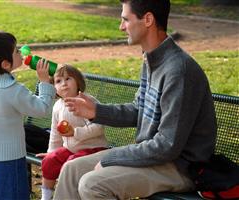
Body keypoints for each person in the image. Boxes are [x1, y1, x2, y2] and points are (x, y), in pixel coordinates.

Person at [54, 0, 217, 199]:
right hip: (151, 156)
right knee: (72, 170)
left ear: (148, 19)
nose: (121, 27)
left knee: (92, 184)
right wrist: (96, 111)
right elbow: (138, 110)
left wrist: (111, 158)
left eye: (125, 20)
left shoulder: (178, 71)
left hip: (180, 167)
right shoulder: (151, 59)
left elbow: (167, 146)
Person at [0, 30, 56, 199]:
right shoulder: (14, 91)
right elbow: (42, 108)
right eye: (16, 51)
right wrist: (45, 82)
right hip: (11, 158)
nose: (21, 51)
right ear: (6, 64)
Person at [36, 64, 108, 200]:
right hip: (70, 149)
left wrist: (75, 132)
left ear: (78, 82)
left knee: (70, 163)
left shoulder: (87, 101)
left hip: (93, 149)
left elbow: (98, 128)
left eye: (68, 79)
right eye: (58, 81)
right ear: (54, 88)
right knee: (49, 161)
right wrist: (51, 152)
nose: (63, 84)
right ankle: (46, 196)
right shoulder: (57, 106)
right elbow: (55, 133)